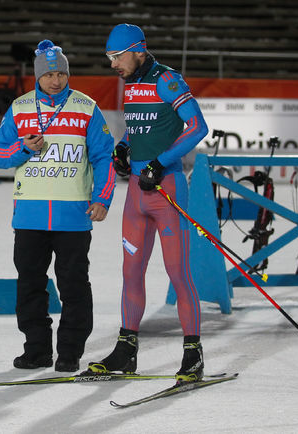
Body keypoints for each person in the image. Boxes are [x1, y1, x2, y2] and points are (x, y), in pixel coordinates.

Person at [86, 24, 209, 384]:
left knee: (178, 273)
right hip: (137, 194)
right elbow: (139, 128)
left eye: (116, 57)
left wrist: (161, 160)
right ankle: (126, 351)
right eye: (108, 58)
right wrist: (124, 148)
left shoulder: (168, 80)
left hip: (166, 189)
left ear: (138, 49)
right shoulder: (131, 83)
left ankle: (193, 354)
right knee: (130, 272)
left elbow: (198, 127)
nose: (112, 65)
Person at [0, 39, 116, 373]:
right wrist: (22, 147)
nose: (56, 80)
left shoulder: (86, 107)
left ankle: (70, 351)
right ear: (38, 76)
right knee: (29, 283)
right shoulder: (19, 108)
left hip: (73, 216)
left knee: (73, 285)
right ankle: (36, 350)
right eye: (49, 75)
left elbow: (105, 156)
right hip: (29, 214)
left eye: (61, 73)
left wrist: (103, 198)